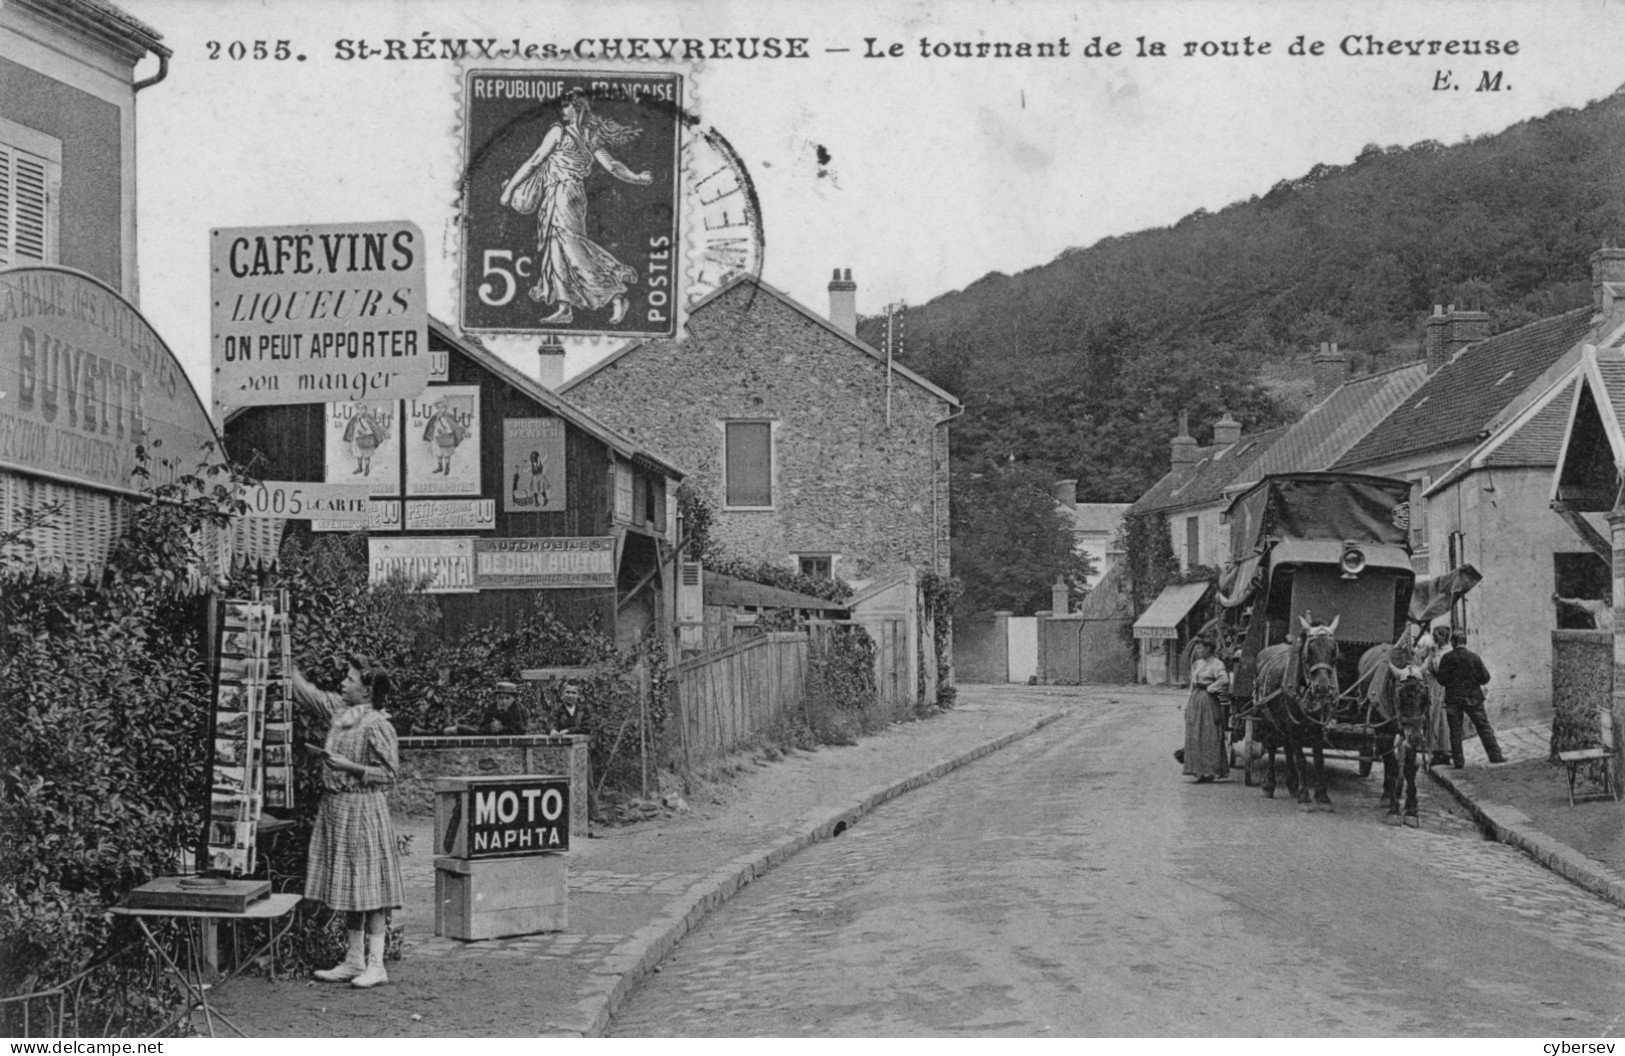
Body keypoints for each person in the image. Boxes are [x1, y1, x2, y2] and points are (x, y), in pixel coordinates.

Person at [291, 655, 404, 989]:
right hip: (337, 809)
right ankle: (354, 959)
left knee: (370, 887)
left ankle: (376, 964)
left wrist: (350, 767)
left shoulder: (377, 724)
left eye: (350, 679)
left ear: (367, 690)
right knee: (352, 887)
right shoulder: (342, 712)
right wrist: (286, 662)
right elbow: (309, 694)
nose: (342, 683)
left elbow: (389, 775)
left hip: (364, 810)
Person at [499, 88, 654, 326]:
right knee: (558, 249)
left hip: (563, 193)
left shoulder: (558, 131)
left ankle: (616, 290)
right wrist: (638, 178)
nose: (562, 110)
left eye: (565, 105)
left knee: (570, 247)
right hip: (570, 195)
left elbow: (534, 161)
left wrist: (510, 190)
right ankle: (565, 307)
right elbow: (613, 166)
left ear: (577, 106)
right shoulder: (590, 135)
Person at [1434, 629, 1506, 768]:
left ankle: (1459, 762)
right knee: (1484, 727)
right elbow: (1485, 678)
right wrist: (1472, 682)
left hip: (1453, 699)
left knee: (1455, 731)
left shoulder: (1447, 658)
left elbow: (1441, 680)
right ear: (1464, 642)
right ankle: (1496, 756)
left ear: (1453, 642)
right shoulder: (1474, 657)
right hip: (1474, 698)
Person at [1183, 638, 1229, 783]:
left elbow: (1224, 680)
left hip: (1209, 702)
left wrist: (1211, 688)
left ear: (1209, 649)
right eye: (1197, 648)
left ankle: (1210, 771)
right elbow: (1192, 685)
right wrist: (1187, 705)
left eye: (1201, 648)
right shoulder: (1197, 664)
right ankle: (1198, 771)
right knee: (1195, 735)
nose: (1198, 651)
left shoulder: (1216, 664)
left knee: (1209, 735)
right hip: (1196, 701)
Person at [1413, 624, 1453, 767]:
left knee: (1440, 718)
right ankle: (1432, 750)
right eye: (1435, 637)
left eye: (1439, 637)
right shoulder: (1434, 649)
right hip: (1431, 687)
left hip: (1441, 687)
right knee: (1430, 717)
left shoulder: (1448, 652)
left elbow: (1439, 669)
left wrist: (1431, 662)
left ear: (1445, 638)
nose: (1436, 639)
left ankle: (1442, 751)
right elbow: (1419, 659)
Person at [443, 681, 529, 736]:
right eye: (501, 697)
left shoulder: (519, 709)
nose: (504, 701)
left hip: (513, 744)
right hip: (490, 741)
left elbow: (522, 730)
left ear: (513, 698)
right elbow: (481, 728)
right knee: (451, 730)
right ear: (496, 698)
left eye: (507, 698)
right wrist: (492, 727)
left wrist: (502, 728)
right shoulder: (491, 709)